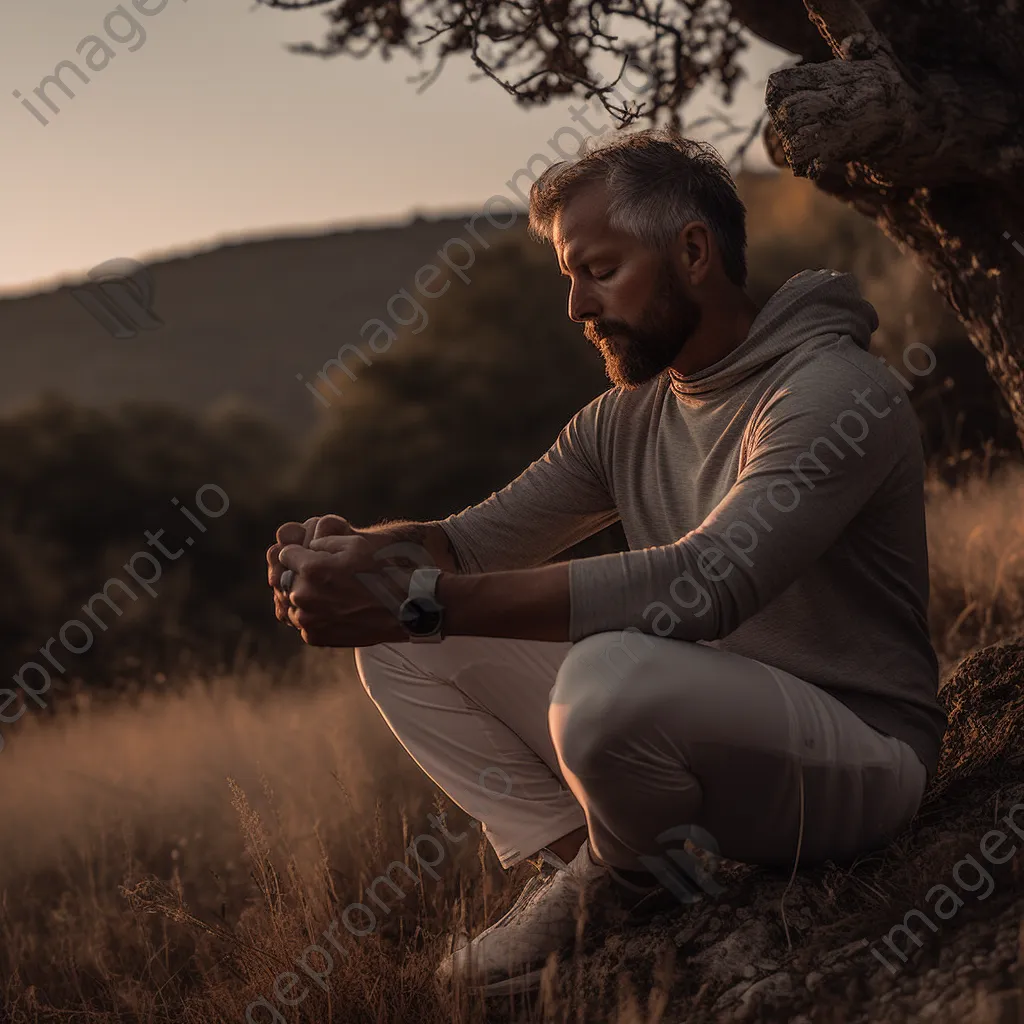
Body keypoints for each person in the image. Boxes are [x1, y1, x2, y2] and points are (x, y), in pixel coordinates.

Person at [265, 127, 947, 997]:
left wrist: (423, 600)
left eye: (599, 270)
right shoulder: (624, 419)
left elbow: (707, 584)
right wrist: (364, 557)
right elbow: (470, 543)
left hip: (858, 766)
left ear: (692, 251)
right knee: (402, 645)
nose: (577, 307)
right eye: (569, 278)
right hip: (695, 727)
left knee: (608, 670)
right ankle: (604, 873)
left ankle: (621, 883)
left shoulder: (829, 391)